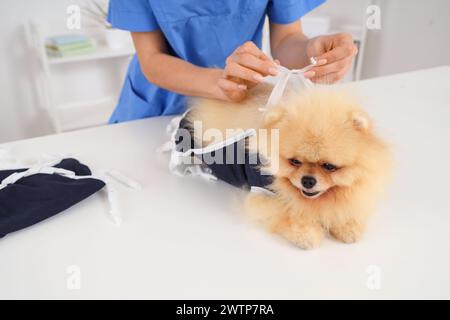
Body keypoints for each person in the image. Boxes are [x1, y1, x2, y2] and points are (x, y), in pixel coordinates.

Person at [107, 0, 357, 123]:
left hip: (237, 100)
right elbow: (151, 59)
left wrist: (312, 51)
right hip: (157, 105)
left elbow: (287, 40)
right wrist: (219, 83)